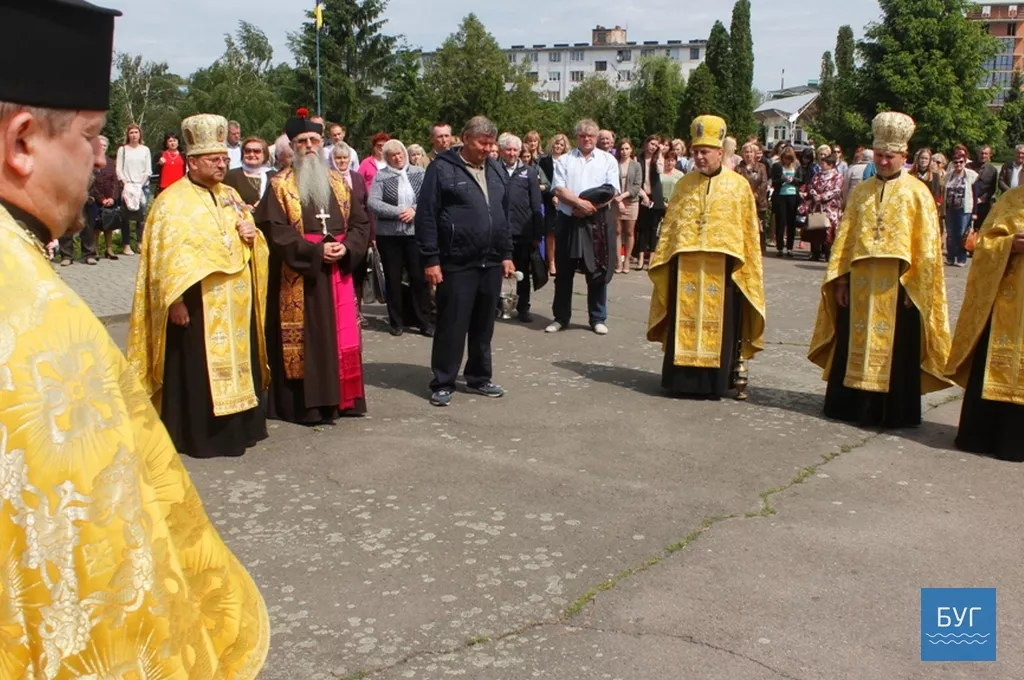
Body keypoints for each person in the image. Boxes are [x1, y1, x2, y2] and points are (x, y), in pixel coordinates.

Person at [0, 1, 268, 675]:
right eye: (91, 137)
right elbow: (93, 587)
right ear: (23, 141)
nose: (101, 159)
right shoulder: (34, 321)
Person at [127, 113, 271, 459]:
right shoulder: (171, 202)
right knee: (196, 368)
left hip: (236, 303)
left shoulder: (231, 195)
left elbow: (252, 237)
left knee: (240, 363)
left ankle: (242, 429)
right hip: (196, 304)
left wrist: (253, 237)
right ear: (192, 162)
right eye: (214, 159)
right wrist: (172, 302)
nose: (222, 165)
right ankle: (200, 435)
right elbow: (162, 261)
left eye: (224, 158)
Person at [808, 112, 952, 428]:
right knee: (854, 342)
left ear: (904, 156)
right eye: (880, 156)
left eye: (890, 157)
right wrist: (841, 280)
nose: (884, 162)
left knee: (897, 350)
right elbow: (845, 242)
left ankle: (891, 413)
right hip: (860, 283)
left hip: (898, 286)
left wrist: (916, 288)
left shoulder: (917, 193)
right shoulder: (861, 193)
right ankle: (851, 407)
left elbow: (926, 249)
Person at [256, 108, 372, 423]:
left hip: (339, 273)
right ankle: (308, 406)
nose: (309, 146)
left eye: (314, 140)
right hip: (301, 275)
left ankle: (343, 399)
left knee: (339, 335)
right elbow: (274, 231)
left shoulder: (337, 181)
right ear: (292, 146)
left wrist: (347, 248)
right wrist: (315, 251)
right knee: (310, 337)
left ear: (323, 144)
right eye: (302, 141)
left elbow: (361, 223)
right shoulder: (279, 185)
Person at [647, 116, 766, 400]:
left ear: (720, 153)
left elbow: (748, 234)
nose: (699, 157)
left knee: (722, 325)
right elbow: (672, 227)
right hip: (685, 267)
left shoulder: (738, 186)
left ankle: (716, 382)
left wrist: (744, 271)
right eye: (695, 151)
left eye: (705, 152)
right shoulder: (684, 184)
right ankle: (681, 381)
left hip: (723, 271)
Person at [416, 116, 515, 407]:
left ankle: (480, 377)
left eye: (490, 143)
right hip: (456, 260)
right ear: (465, 138)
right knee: (453, 324)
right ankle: (443, 381)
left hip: (491, 260)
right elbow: (426, 216)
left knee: (484, 325)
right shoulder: (442, 168)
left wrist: (507, 254)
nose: (487, 149)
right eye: (482, 143)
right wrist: (431, 259)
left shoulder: (496, 169)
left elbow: (503, 215)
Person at [945, 184, 1024, 460]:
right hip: (1005, 305)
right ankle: (980, 435)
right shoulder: (1010, 201)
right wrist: (1009, 245)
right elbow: (983, 244)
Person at [547, 119, 619, 335]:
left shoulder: (607, 160)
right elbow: (558, 189)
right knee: (564, 271)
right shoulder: (565, 160)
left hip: (597, 221)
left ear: (596, 138)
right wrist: (578, 204)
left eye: (591, 135)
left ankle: (597, 317)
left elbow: (611, 190)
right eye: (582, 135)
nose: (587, 139)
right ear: (576, 137)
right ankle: (561, 317)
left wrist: (589, 208)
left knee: (597, 270)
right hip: (569, 219)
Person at [368, 139, 432, 336]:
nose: (397, 157)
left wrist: (413, 210)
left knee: (418, 277)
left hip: (414, 233)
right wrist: (398, 212)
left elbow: (427, 198)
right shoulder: (382, 175)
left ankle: (424, 321)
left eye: (400, 153)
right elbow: (373, 202)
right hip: (389, 235)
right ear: (387, 158)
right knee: (393, 279)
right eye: (393, 155)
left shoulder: (419, 173)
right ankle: (396, 321)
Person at [497, 133, 545, 321]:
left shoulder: (529, 172)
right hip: (499, 230)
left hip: (522, 230)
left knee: (522, 272)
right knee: (496, 270)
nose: (511, 153)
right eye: (508, 149)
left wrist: (537, 233)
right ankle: (495, 307)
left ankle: (523, 308)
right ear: (501, 150)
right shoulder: (493, 170)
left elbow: (536, 204)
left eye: (515, 150)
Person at [224, 135, 275, 211]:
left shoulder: (274, 176)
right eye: (247, 151)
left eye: (256, 151)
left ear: (265, 154)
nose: (251, 154)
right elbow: (224, 201)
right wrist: (241, 207)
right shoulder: (231, 176)